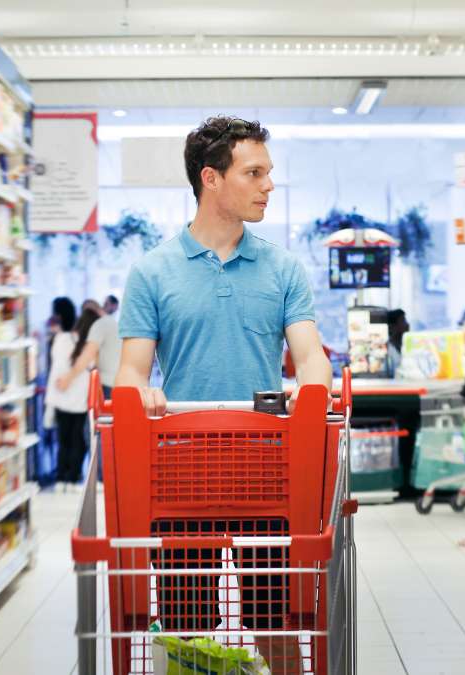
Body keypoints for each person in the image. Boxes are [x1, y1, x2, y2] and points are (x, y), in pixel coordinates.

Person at [115, 116, 330, 673]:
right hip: (183, 480)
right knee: (188, 633)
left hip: (270, 476)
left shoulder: (283, 269)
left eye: (269, 172)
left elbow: (309, 358)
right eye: (253, 172)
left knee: (277, 626)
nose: (268, 185)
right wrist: (141, 394)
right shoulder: (152, 272)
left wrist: (314, 392)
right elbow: (131, 373)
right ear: (211, 179)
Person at [46, 307, 100, 490]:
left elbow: (55, 362)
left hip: (61, 396)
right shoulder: (90, 346)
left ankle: (61, 478)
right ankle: (73, 478)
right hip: (81, 400)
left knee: (63, 440)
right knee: (78, 442)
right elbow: (93, 367)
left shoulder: (61, 339)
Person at [56, 295, 121, 398]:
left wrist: (68, 378)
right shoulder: (111, 322)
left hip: (107, 385)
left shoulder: (99, 325)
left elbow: (88, 355)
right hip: (117, 382)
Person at [386, 308, 409, 377]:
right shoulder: (388, 350)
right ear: (393, 326)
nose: (407, 324)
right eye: (403, 321)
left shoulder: (405, 345)